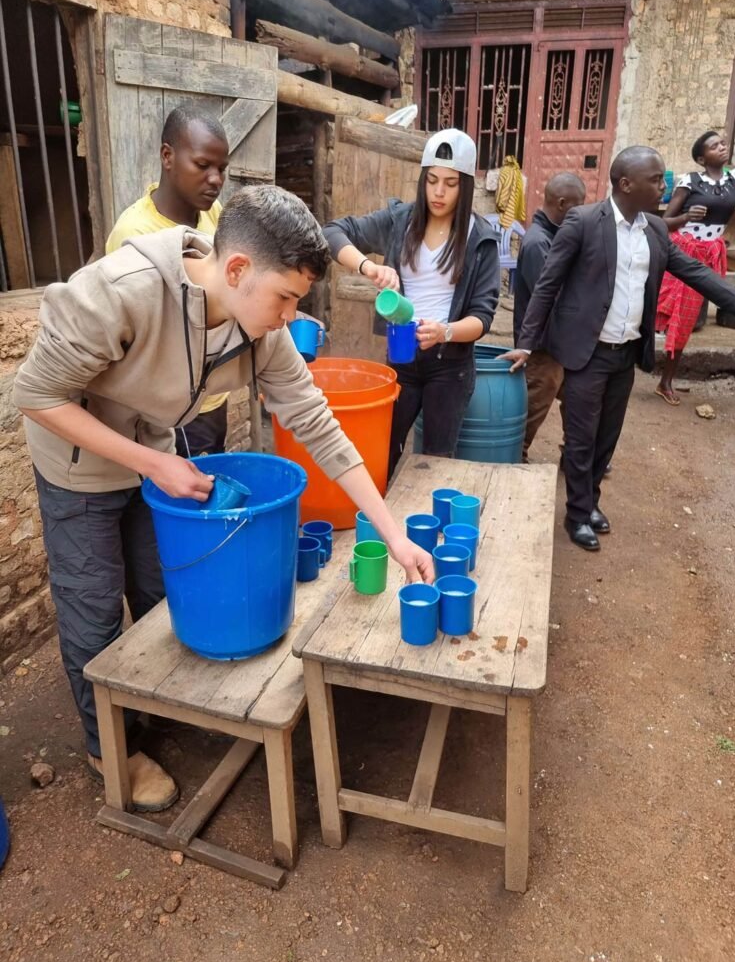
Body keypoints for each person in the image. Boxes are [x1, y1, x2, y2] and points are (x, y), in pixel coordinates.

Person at [14, 185, 434, 811]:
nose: (292, 315)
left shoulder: (259, 326)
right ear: (237, 269)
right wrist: (155, 464)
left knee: (158, 589)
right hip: (78, 461)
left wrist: (390, 531)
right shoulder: (121, 291)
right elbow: (36, 395)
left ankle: (152, 712)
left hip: (152, 449)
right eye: (286, 298)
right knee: (94, 604)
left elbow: (318, 425)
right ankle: (111, 751)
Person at [503, 146, 735, 552]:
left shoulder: (655, 230)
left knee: (606, 437)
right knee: (580, 438)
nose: (664, 187)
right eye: (656, 180)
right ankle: (577, 515)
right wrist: (526, 344)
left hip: (625, 353)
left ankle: (590, 502)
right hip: (586, 352)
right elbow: (547, 286)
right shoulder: (584, 222)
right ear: (625, 184)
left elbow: (694, 271)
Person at [322, 129, 500, 477]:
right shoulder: (401, 220)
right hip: (401, 355)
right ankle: (378, 524)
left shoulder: (479, 239)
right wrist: (368, 266)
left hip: (450, 365)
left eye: (450, 183)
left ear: (465, 186)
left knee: (434, 461)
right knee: (384, 449)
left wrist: (445, 331)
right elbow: (333, 232)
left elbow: (483, 317)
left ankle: (421, 527)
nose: (438, 191)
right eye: (432, 180)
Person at [106, 105, 232, 457]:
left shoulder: (212, 214)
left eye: (221, 168)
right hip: (170, 403)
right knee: (185, 497)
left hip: (212, 393)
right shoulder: (134, 233)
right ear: (167, 156)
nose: (215, 179)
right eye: (203, 165)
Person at [655, 131, 735, 405]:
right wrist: (686, 216)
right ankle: (659, 376)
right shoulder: (689, 182)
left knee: (688, 317)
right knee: (673, 314)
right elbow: (665, 221)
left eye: (722, 143)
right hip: (684, 251)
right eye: (714, 146)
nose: (722, 147)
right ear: (701, 158)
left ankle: (665, 380)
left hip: (710, 254)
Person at [511, 172, 586, 462]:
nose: (581, 212)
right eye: (578, 206)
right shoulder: (536, 243)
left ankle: (575, 454)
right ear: (563, 203)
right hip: (543, 347)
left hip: (560, 344)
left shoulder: (551, 236)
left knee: (577, 401)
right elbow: (551, 298)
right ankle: (514, 456)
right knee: (533, 408)